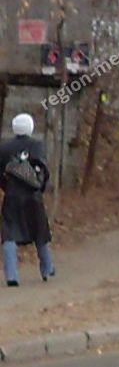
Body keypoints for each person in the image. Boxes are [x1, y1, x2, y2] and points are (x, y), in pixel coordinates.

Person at [1, 112, 55, 286]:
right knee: (39, 232)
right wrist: (40, 187)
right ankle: (46, 269)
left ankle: (12, 276)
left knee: (9, 234)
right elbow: (44, 171)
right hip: (33, 197)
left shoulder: (4, 148)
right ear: (30, 127)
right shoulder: (37, 146)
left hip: (12, 197)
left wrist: (7, 188)